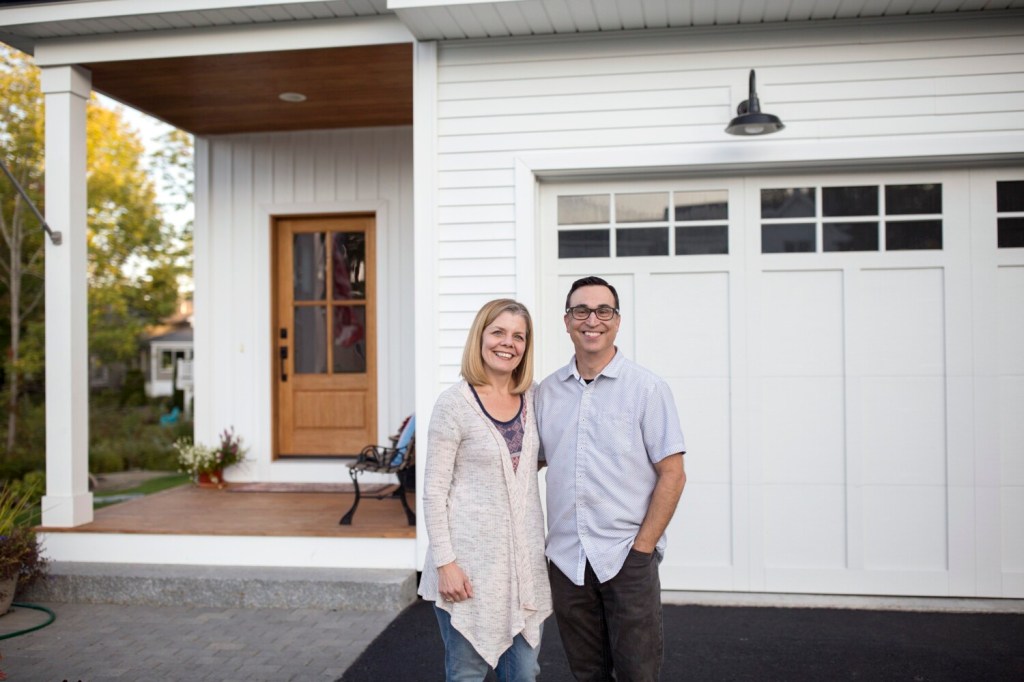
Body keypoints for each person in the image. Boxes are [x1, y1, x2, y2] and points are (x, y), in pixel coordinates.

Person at [536, 276, 687, 682]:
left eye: (604, 310)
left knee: (638, 674)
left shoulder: (647, 390)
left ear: (617, 321)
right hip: (568, 561)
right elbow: (520, 465)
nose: (592, 320)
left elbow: (673, 474)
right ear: (566, 321)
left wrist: (643, 549)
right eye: (581, 310)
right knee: (587, 674)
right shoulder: (546, 394)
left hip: (626, 556)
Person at [418, 299, 553, 682]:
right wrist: (446, 564)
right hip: (466, 571)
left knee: (524, 674)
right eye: (498, 332)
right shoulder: (453, 405)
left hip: (522, 569)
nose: (507, 343)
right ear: (480, 337)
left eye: (518, 336)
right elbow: (433, 492)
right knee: (466, 674)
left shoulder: (535, 399)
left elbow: (531, 463)